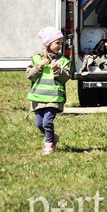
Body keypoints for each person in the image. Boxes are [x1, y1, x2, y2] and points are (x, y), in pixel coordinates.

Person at [26, 26, 71, 155]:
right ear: (47, 44)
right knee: (39, 124)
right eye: (57, 43)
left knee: (47, 121)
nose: (60, 46)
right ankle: (53, 137)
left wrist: (57, 70)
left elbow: (65, 77)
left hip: (54, 98)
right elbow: (30, 75)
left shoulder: (63, 61)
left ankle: (49, 144)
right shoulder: (36, 59)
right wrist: (39, 66)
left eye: (61, 43)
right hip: (39, 98)